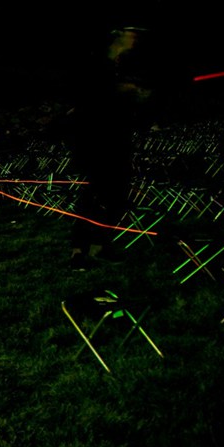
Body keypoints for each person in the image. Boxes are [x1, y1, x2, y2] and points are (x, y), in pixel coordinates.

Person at [67, 26, 155, 270]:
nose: (135, 36)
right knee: (94, 197)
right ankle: (80, 251)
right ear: (116, 36)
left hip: (116, 142)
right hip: (97, 144)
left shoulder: (119, 66)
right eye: (130, 31)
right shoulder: (97, 66)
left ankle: (98, 246)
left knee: (114, 197)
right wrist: (124, 91)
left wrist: (136, 96)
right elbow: (92, 97)